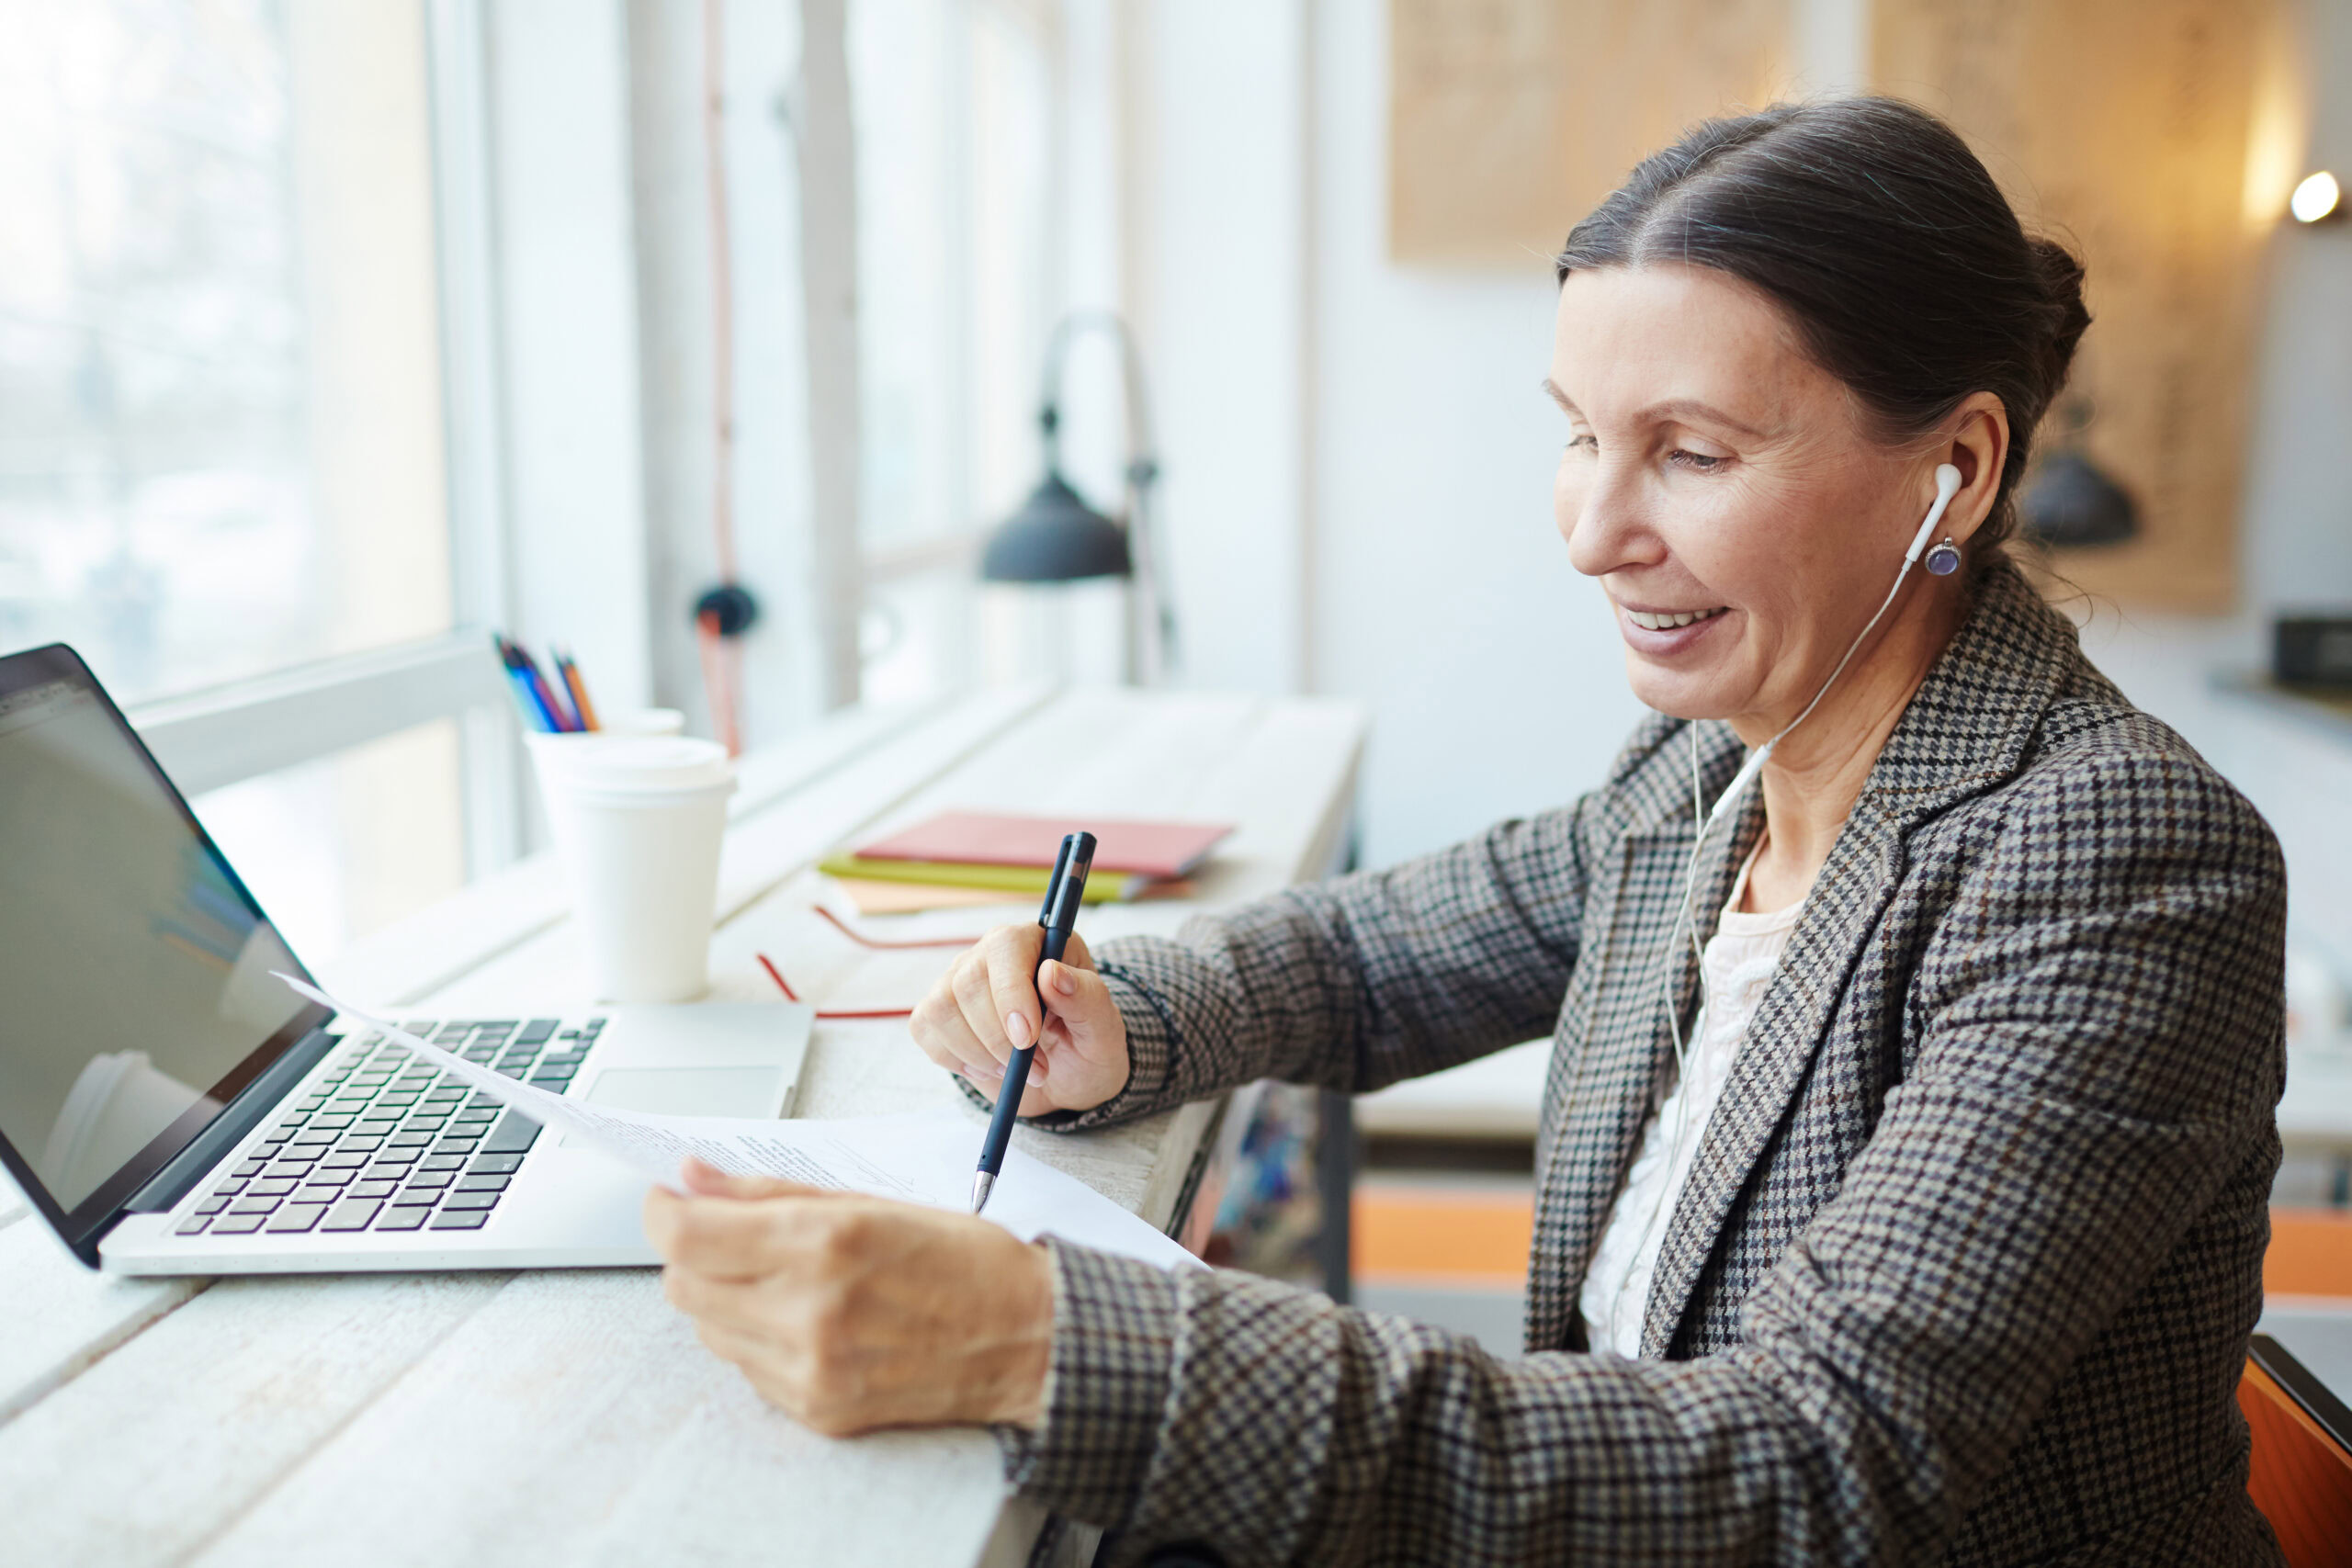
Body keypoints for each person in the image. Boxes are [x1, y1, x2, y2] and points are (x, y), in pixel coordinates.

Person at [645, 97, 2288, 1566]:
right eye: (1580, 434)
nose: (1591, 531)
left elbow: (1813, 1469)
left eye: (1691, 453)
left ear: (1961, 468)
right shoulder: (1711, 771)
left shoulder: (2116, 859)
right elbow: (1377, 954)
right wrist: (1117, 1017)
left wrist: (1043, 1345)